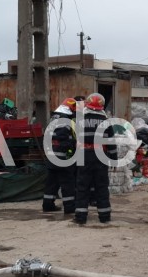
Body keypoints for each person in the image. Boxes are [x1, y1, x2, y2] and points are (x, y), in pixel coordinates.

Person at [73, 92, 117, 225]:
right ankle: (104, 216)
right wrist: (113, 159)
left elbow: (76, 139)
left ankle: (81, 217)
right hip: (101, 155)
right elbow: (111, 142)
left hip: (84, 155)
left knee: (82, 186)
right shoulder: (106, 121)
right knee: (101, 186)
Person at [42, 98, 77, 214]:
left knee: (52, 182)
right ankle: (70, 207)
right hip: (62, 156)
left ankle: (47, 205)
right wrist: (72, 146)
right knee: (67, 182)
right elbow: (64, 138)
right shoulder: (65, 119)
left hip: (51, 155)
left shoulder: (54, 117)